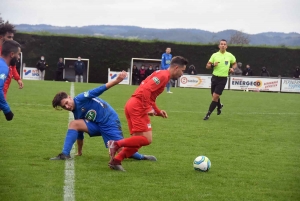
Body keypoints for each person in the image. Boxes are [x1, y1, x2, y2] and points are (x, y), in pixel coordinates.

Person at [50, 71, 156, 161]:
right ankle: (65, 154)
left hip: (109, 121)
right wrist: (79, 151)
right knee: (74, 124)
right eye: (64, 106)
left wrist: (116, 81)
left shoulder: (81, 98)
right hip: (97, 124)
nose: (67, 106)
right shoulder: (76, 112)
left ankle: (142, 157)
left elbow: (98, 90)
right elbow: (79, 133)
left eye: (67, 102)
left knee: (120, 149)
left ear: (69, 97)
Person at [107, 56, 188, 171]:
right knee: (146, 139)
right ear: (176, 68)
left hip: (133, 105)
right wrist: (147, 108)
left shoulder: (163, 74)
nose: (182, 74)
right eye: (183, 70)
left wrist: (158, 111)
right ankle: (115, 144)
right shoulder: (164, 76)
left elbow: (151, 97)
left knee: (138, 141)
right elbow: (146, 90)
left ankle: (116, 160)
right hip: (137, 107)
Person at [203, 39, 237, 120]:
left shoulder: (230, 55)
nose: (223, 45)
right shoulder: (214, 55)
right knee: (214, 96)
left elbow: (235, 63)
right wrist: (212, 65)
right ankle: (219, 106)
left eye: (224, 44)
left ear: (226, 46)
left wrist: (233, 68)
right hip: (214, 78)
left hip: (223, 78)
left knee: (215, 96)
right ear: (219, 46)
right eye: (221, 44)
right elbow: (207, 66)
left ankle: (208, 115)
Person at [0, 21, 23, 98]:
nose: (11, 39)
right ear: (1, 37)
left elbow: (12, 67)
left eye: (12, 37)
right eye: (9, 37)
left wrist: (18, 79)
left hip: (5, 85)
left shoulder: (9, 51)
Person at [0, 40, 21, 121]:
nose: (18, 57)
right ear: (12, 54)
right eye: (18, 54)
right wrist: (7, 110)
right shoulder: (3, 68)